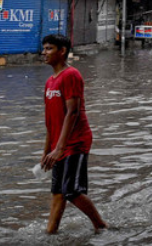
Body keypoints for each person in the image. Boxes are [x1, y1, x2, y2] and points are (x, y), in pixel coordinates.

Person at [40, 34, 107, 235]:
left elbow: (73, 111)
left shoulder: (71, 75)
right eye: (44, 48)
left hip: (75, 141)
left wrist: (60, 148)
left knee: (72, 191)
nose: (44, 53)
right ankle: (51, 232)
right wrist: (47, 150)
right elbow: (51, 121)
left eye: (49, 48)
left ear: (62, 51)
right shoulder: (50, 82)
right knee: (57, 192)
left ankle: (100, 225)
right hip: (59, 143)